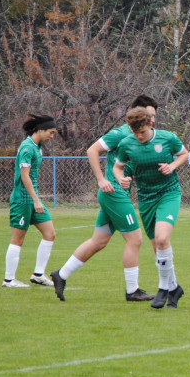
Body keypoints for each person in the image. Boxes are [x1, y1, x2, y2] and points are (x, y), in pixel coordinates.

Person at [49, 112, 152, 303]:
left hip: (116, 192)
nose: (152, 120)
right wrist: (101, 179)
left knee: (98, 241)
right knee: (135, 239)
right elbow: (92, 150)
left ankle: (61, 275)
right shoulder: (120, 134)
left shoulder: (144, 136)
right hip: (113, 193)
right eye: (149, 115)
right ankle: (132, 291)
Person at [109, 106, 189, 309]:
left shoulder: (167, 138)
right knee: (157, 247)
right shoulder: (127, 144)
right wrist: (122, 179)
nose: (140, 137)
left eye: (142, 132)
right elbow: (117, 167)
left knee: (162, 239)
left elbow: (184, 154)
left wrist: (172, 166)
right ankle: (174, 288)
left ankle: (163, 289)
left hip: (169, 193)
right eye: (135, 133)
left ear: (150, 124)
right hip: (145, 199)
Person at [3, 114, 59, 288]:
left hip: (33, 200)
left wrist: (36, 200)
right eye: (51, 132)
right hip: (22, 200)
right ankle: (9, 280)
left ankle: (38, 275)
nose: (52, 136)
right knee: (18, 239)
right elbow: (24, 176)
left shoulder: (38, 146)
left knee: (50, 234)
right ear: (40, 130)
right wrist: (36, 200)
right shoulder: (27, 148)